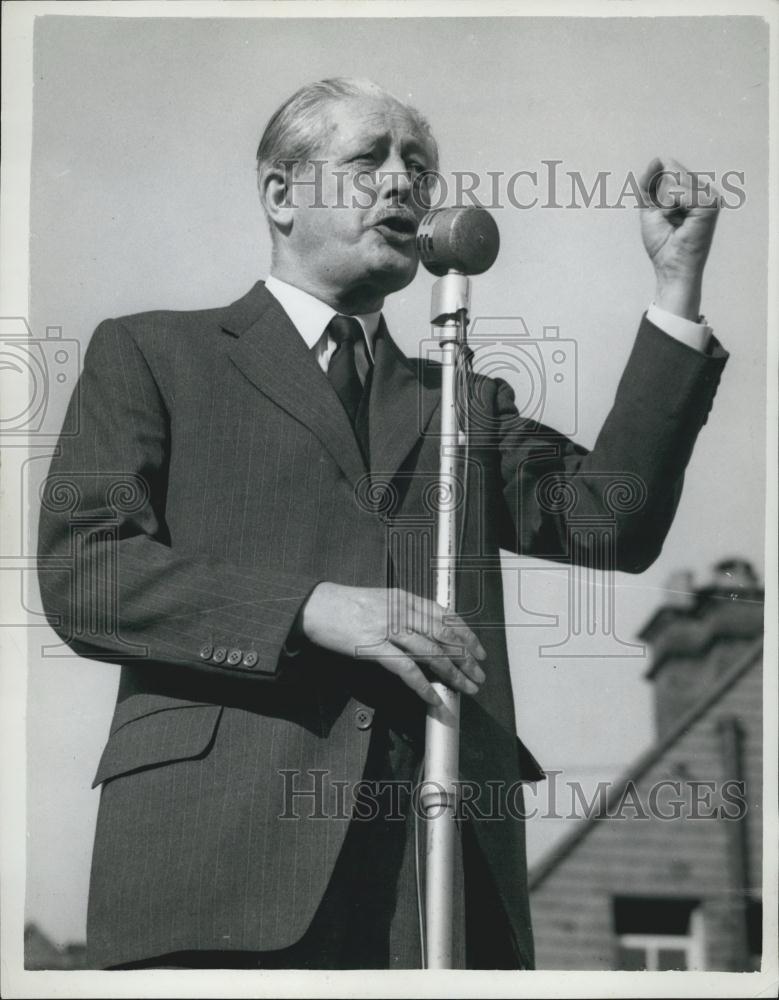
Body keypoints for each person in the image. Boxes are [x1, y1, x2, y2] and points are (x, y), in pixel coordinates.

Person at [37, 77, 727, 970]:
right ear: (280, 193)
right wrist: (310, 607)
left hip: (433, 881)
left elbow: (609, 521)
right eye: (369, 160)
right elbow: (85, 573)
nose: (403, 182)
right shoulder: (154, 354)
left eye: (420, 169)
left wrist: (676, 284)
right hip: (216, 870)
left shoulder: (459, 400)